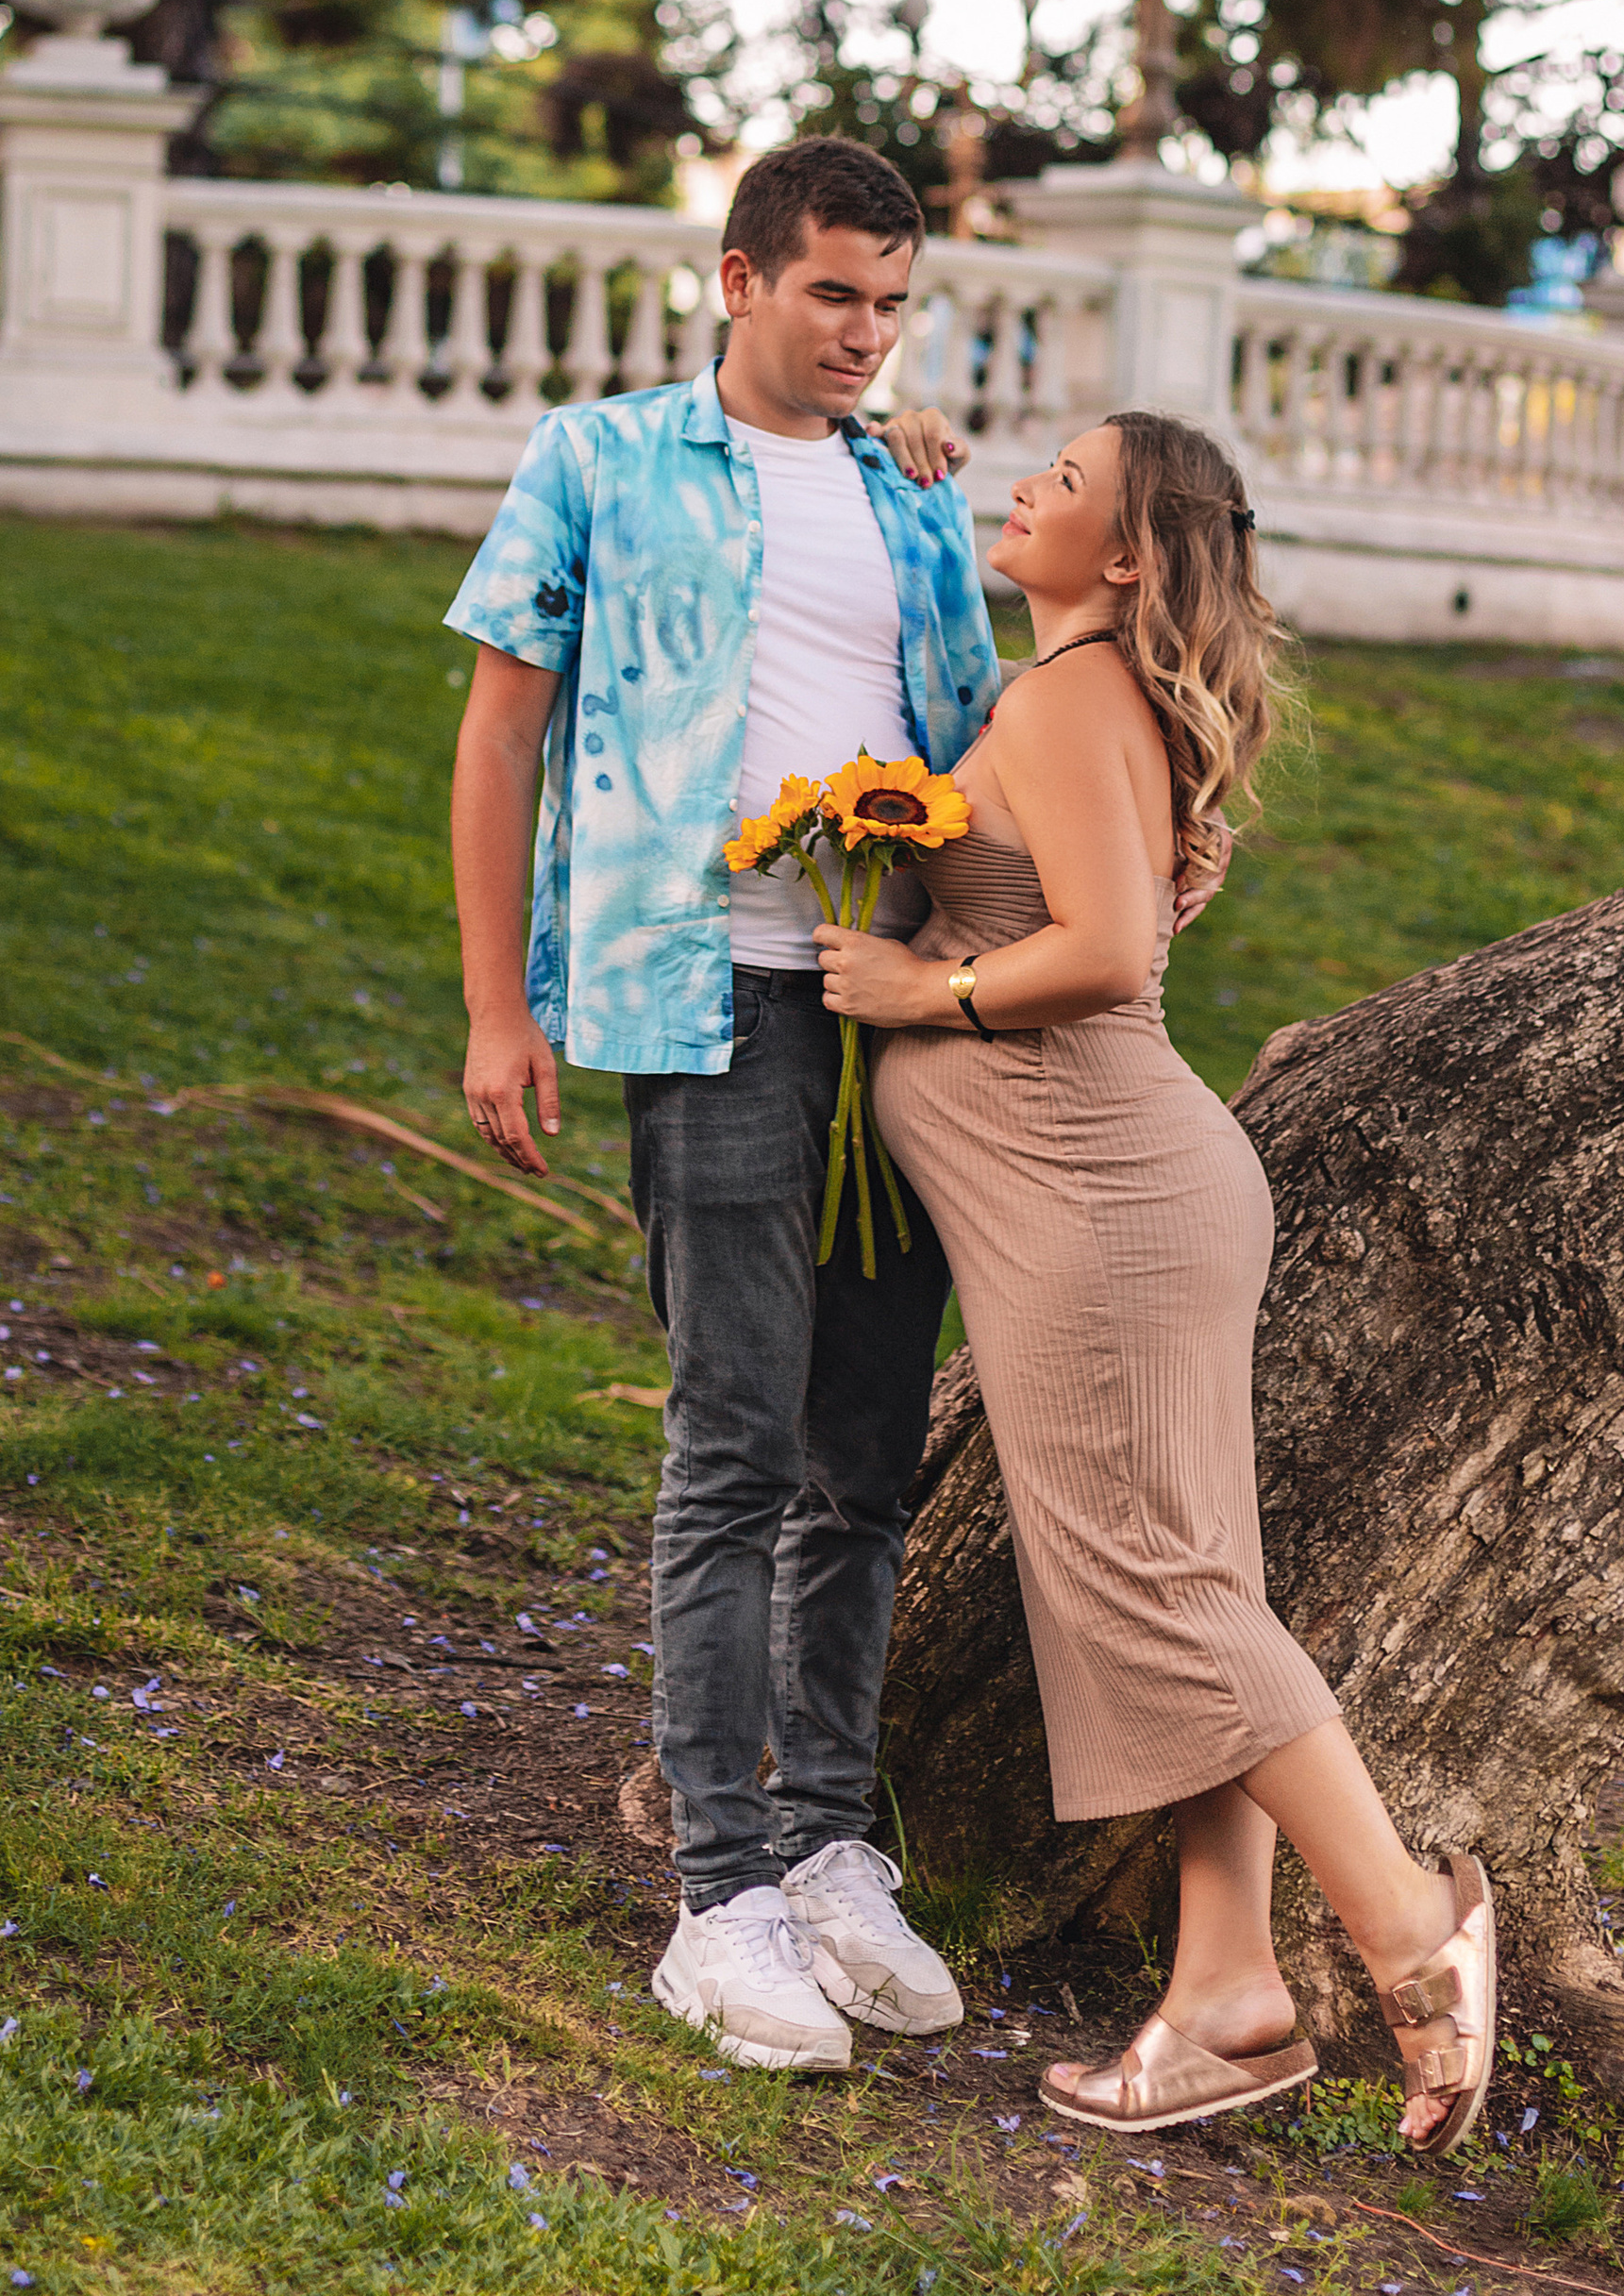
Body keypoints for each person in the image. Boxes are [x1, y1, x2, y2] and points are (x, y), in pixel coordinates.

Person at [810, 409, 1498, 2150]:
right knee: (1199, 1590)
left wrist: (924, 1001)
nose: (1024, 485)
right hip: (1125, 1187)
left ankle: (1413, 1927)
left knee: (1161, 1600)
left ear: (1124, 555)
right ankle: (1226, 1997)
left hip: (1099, 1192)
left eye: (1063, 478)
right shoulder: (1086, 690)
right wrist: (899, 477)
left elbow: (1105, 949)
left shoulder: (1064, 699)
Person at [444, 137, 995, 2074]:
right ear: (740, 279)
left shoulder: (913, 496)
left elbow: (994, 746)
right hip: (706, 1008)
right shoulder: (596, 462)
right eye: (833, 292)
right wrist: (496, 1007)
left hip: (898, 1018)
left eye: (890, 303)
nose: (863, 333)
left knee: (865, 1455)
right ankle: (721, 1895)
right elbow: (501, 727)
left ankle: (834, 1845)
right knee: (730, 1447)